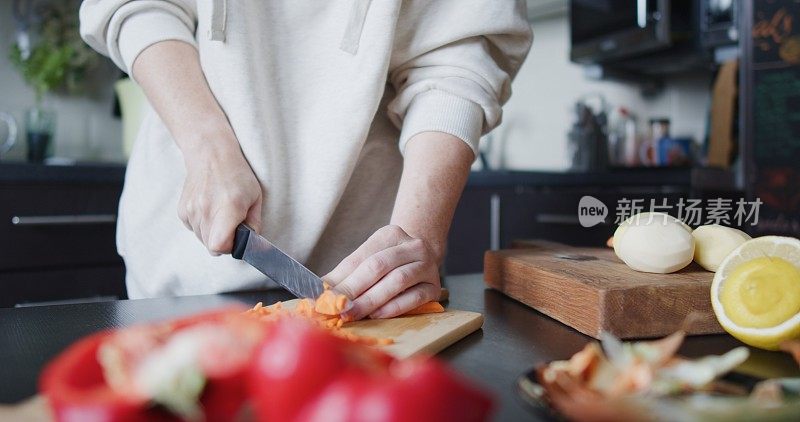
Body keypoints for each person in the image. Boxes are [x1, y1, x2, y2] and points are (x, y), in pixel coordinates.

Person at [80, 0, 532, 320]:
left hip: (370, 294)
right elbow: (138, 6)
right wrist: (207, 146)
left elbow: (459, 60)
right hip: (176, 279)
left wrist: (414, 239)